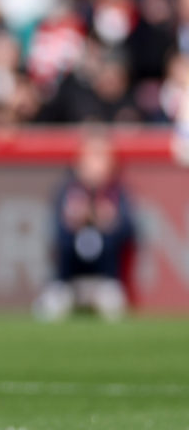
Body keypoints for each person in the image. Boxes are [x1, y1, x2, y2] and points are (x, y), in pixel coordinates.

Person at [33, 131, 136, 322]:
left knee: (114, 308)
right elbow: (56, 234)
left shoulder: (117, 192)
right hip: (67, 280)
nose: (96, 165)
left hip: (105, 280)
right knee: (51, 309)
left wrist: (108, 221)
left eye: (101, 158)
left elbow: (128, 231)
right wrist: (75, 220)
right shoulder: (67, 190)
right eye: (91, 158)